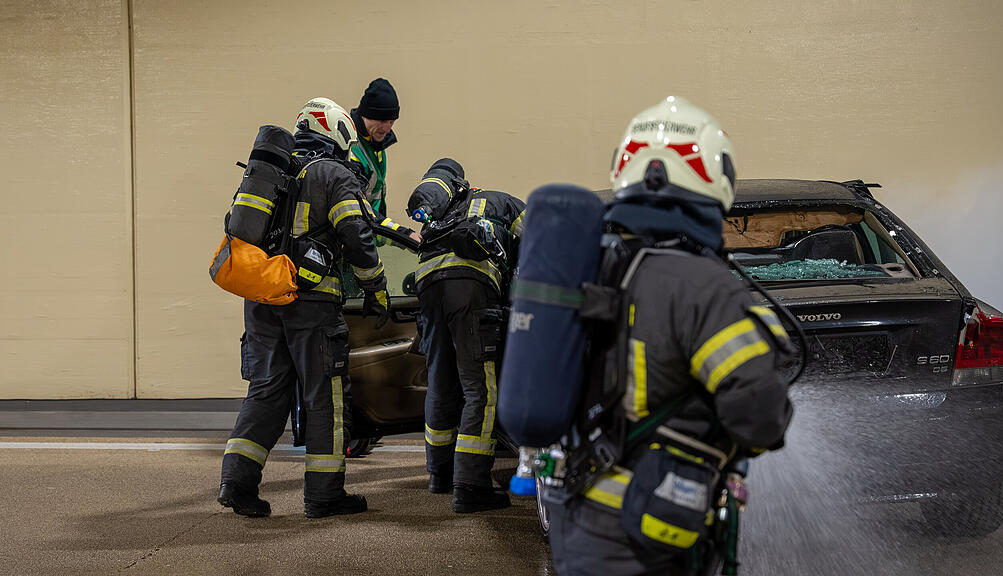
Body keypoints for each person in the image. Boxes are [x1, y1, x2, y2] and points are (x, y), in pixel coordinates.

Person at [545, 97, 794, 574]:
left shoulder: (588, 266)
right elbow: (759, 415)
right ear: (712, 176)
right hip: (646, 525)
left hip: (574, 508)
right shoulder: (704, 287)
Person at [218, 97, 391, 519]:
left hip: (262, 298)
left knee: (265, 391)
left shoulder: (272, 172)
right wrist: (376, 286)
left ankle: (236, 483)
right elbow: (357, 234)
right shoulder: (333, 173)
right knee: (324, 397)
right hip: (311, 304)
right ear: (337, 132)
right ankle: (324, 495)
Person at [409, 158, 527, 513]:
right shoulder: (502, 201)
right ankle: (471, 486)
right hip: (471, 289)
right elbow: (539, 241)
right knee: (481, 388)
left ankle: (440, 475)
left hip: (428, 290)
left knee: (441, 384)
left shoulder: (439, 216)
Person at [349, 78, 400, 217]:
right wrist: (400, 231)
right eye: (382, 120)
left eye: (391, 121)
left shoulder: (376, 141)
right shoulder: (350, 146)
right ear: (366, 115)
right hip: (359, 229)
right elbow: (357, 207)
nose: (388, 129)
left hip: (372, 228)